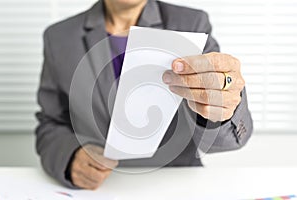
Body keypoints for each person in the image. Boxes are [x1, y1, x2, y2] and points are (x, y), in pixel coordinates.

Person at [35, 0, 253, 190]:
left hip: (176, 184)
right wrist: (68, 157)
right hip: (100, 188)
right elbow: (51, 123)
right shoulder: (59, 38)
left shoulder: (191, 23)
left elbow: (223, 140)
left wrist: (222, 106)